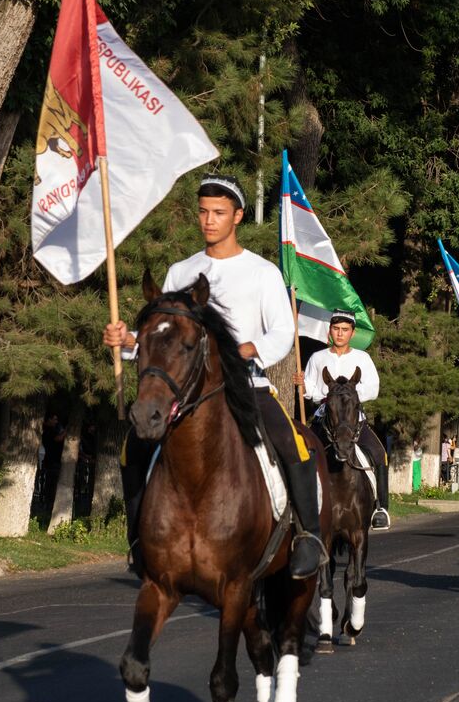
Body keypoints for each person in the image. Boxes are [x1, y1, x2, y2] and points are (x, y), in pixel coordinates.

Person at [104, 174, 325, 580]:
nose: (209, 220)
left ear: (238, 216)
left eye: (219, 213)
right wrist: (128, 340)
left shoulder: (262, 273)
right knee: (132, 448)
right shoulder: (180, 271)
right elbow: (164, 336)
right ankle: (138, 541)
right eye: (204, 212)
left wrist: (252, 348)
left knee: (293, 443)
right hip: (187, 395)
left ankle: (309, 537)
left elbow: (281, 331)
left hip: (247, 386)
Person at [296, 310, 392, 530]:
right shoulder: (317, 358)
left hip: (352, 419)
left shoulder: (362, 358)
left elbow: (373, 388)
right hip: (324, 418)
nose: (340, 334)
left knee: (379, 453)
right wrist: (302, 385)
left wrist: (350, 397)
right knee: (302, 453)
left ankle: (381, 508)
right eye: (336, 329)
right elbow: (311, 389)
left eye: (345, 330)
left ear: (352, 332)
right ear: (330, 330)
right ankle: (299, 505)